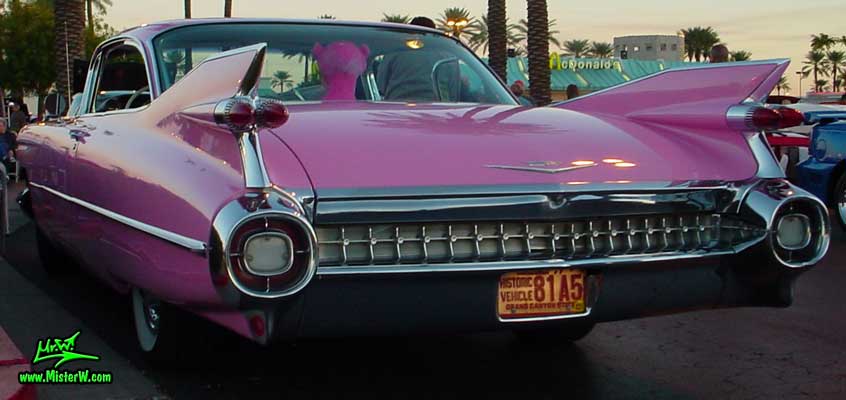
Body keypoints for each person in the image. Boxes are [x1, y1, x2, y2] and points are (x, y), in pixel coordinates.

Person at [376, 16, 458, 102]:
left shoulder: (393, 52)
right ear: (433, 34)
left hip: (397, 107)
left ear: (410, 33)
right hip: (438, 109)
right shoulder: (448, 57)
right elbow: (454, 91)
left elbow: (381, 85)